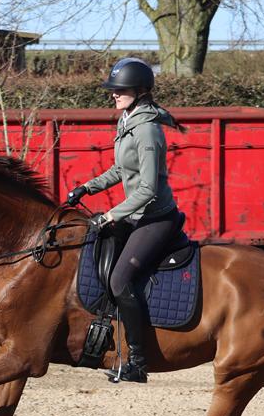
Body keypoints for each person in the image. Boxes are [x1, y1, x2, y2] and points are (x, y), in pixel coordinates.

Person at [65, 57, 185, 384]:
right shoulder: (127, 120)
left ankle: (138, 362)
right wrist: (86, 187)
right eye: (113, 90)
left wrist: (109, 215)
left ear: (140, 91)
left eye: (119, 90)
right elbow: (122, 169)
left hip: (155, 218)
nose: (113, 95)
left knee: (119, 281)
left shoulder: (147, 131)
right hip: (135, 214)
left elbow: (146, 188)